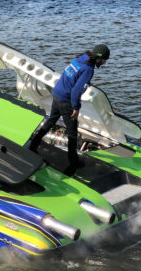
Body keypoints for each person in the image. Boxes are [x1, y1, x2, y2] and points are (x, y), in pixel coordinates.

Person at [29, 44, 110, 176]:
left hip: (57, 93)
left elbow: (72, 76)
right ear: (100, 59)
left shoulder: (81, 58)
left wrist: (85, 82)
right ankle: (73, 161)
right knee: (72, 132)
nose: (105, 63)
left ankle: (33, 145)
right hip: (66, 100)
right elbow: (75, 92)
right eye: (105, 60)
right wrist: (76, 108)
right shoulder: (89, 69)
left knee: (51, 121)